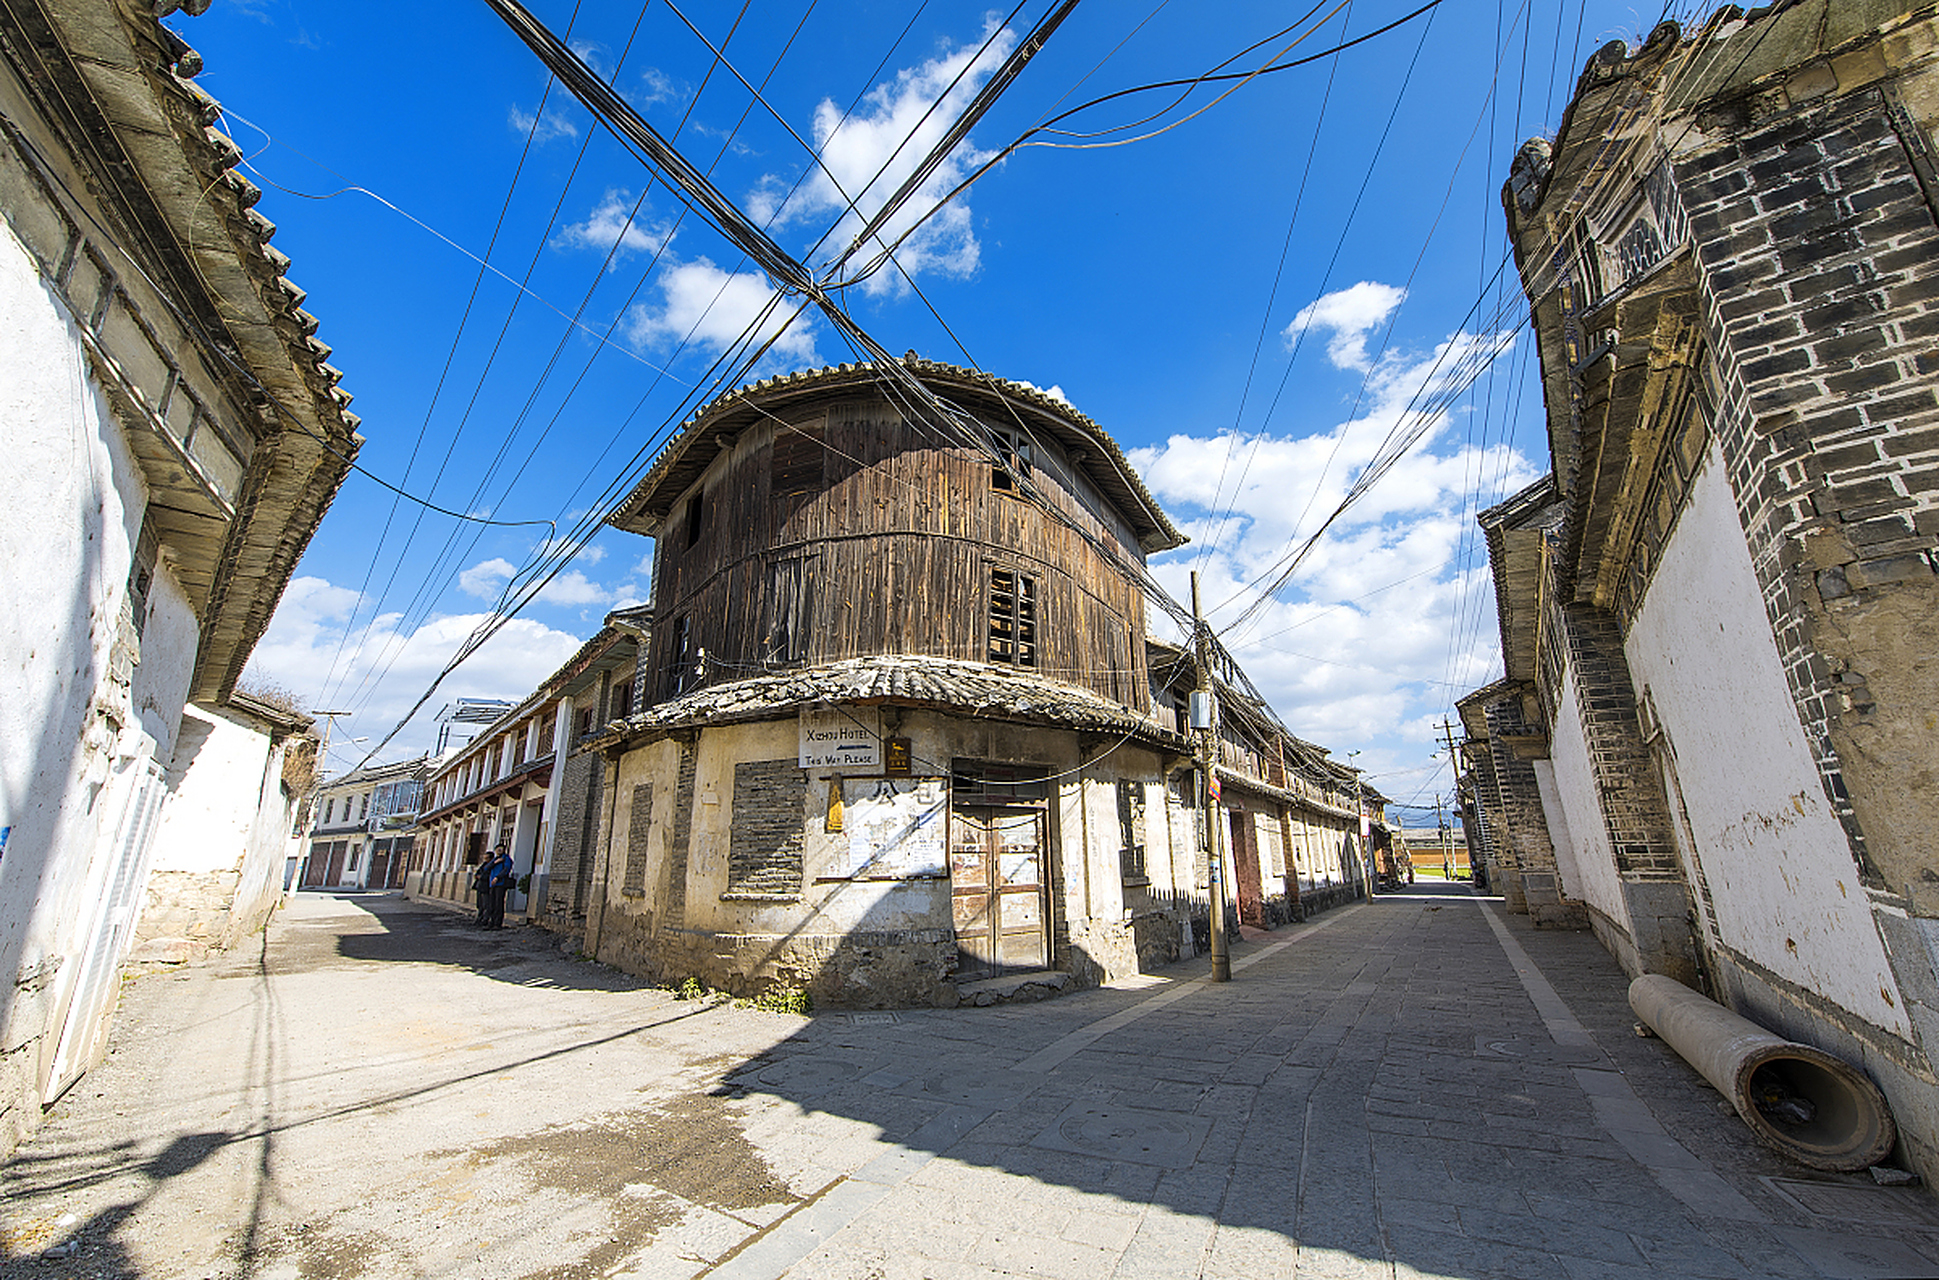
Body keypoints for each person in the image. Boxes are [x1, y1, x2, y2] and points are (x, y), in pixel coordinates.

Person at [484, 846, 515, 930]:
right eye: (497, 849)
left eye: (500, 849)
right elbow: (486, 868)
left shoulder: (506, 859)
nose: (499, 851)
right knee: (492, 904)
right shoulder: (495, 859)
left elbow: (506, 869)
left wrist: (498, 877)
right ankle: (491, 922)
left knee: (498, 903)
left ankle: (497, 923)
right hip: (492, 884)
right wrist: (495, 862)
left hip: (500, 883)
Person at [471, 854, 494, 926]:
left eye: (487, 858)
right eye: (484, 858)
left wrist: (481, 877)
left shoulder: (491, 865)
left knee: (486, 904)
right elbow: (478, 872)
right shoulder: (484, 865)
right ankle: (479, 918)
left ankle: (485, 919)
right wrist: (477, 876)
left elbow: (489, 875)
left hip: (486, 887)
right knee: (479, 904)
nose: (485, 859)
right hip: (480, 886)